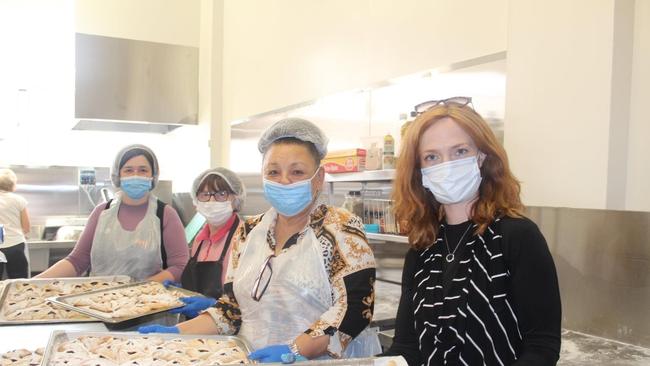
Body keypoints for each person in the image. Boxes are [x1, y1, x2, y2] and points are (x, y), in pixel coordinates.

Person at [140, 118, 380, 363]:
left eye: (297, 172)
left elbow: (355, 309)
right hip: (251, 357)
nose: (284, 181)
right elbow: (232, 309)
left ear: (318, 178)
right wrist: (176, 334)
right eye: (273, 172)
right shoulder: (250, 231)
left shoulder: (340, 229)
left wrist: (295, 351)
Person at [384, 97, 561, 365]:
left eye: (460, 151)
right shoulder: (422, 250)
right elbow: (406, 348)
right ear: (420, 172)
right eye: (432, 157)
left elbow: (541, 345)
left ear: (482, 157)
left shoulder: (517, 237)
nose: (447, 165)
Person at [36, 144, 189, 282]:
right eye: (128, 170)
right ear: (118, 176)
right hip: (100, 303)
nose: (135, 175)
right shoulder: (102, 212)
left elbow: (180, 266)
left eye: (143, 170)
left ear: (152, 176)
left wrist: (141, 289)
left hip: (150, 305)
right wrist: (33, 282)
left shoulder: (165, 215)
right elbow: (77, 260)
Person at [164, 167, 247, 318]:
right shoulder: (199, 240)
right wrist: (181, 290)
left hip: (228, 326)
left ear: (236, 198)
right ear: (196, 200)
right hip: (197, 324)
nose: (212, 201)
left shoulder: (244, 238)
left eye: (221, 194)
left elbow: (249, 300)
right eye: (205, 195)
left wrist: (212, 305)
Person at [0, 168, 31, 279]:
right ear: (12, 184)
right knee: (19, 280)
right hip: (15, 245)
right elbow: (26, 227)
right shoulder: (19, 200)